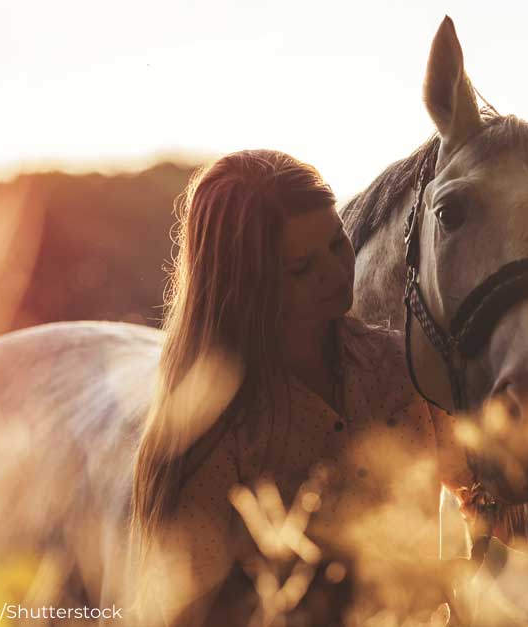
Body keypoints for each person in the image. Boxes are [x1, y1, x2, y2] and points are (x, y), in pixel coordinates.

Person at [127, 149, 473, 626]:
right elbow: (186, 611)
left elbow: (485, 491)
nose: (335, 273)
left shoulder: (405, 367)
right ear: (248, 284)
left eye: (337, 243)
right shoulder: (214, 428)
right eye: (301, 269)